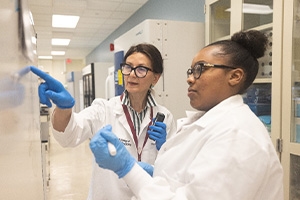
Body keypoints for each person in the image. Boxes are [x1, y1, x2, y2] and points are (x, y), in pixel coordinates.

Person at [89, 30, 284, 200]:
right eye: (191, 70)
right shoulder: (207, 122)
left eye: (200, 69)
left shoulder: (238, 136)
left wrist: (128, 169)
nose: (190, 78)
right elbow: (189, 183)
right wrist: (157, 173)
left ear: (234, 76)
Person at [30, 43, 177, 200]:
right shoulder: (103, 109)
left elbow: (175, 168)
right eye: (128, 67)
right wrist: (63, 108)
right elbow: (69, 136)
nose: (132, 74)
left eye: (141, 69)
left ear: (155, 78)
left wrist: (165, 149)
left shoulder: (164, 116)